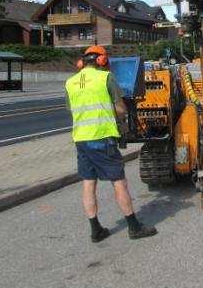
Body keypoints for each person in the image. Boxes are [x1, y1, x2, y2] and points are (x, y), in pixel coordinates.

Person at [65, 45, 157, 243]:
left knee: (89, 183)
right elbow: (121, 109)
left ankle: (95, 230)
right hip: (102, 137)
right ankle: (134, 227)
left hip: (81, 139)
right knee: (119, 182)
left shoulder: (70, 82)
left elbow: (72, 108)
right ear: (101, 61)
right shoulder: (105, 78)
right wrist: (121, 122)